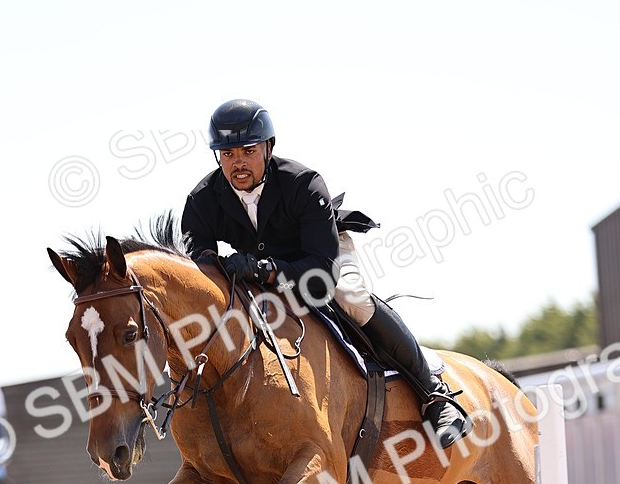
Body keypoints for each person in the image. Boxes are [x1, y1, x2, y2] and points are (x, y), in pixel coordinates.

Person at [181, 98, 471, 448]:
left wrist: (266, 271)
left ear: (268, 148)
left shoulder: (303, 183)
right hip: (259, 272)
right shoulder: (202, 199)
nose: (237, 162)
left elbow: (321, 274)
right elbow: (197, 263)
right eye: (227, 154)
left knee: (352, 299)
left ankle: (435, 395)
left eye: (247, 150)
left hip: (321, 259)